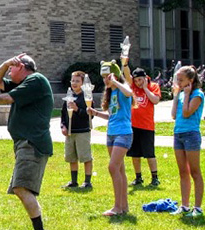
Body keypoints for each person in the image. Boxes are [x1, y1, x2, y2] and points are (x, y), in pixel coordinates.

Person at [0, 53, 52, 230]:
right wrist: (5, 63)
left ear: (21, 67)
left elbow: (8, 98)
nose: (9, 71)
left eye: (12, 67)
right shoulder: (23, 84)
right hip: (24, 143)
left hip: (32, 143)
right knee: (22, 188)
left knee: (21, 188)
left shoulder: (36, 80)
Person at [86, 62, 134, 216]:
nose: (106, 80)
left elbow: (129, 93)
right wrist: (95, 113)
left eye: (108, 76)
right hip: (111, 133)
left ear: (115, 75)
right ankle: (123, 207)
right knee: (119, 169)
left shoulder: (121, 91)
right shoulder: (111, 94)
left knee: (112, 167)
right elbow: (112, 116)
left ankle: (117, 207)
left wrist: (116, 82)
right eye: (104, 77)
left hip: (124, 133)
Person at [170, 66, 205, 217]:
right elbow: (173, 115)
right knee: (183, 172)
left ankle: (197, 208)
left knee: (195, 171)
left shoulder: (197, 95)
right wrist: (176, 95)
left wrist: (185, 95)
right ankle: (184, 205)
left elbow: (186, 113)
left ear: (190, 81)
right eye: (177, 79)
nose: (178, 82)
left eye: (181, 80)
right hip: (178, 134)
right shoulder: (180, 94)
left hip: (191, 135)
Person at [127, 67, 161, 187]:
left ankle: (155, 177)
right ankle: (138, 177)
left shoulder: (153, 86)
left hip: (147, 126)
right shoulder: (133, 87)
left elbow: (155, 100)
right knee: (135, 153)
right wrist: (124, 63)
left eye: (140, 80)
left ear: (146, 78)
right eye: (136, 81)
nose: (138, 83)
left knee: (149, 153)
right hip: (133, 125)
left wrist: (145, 88)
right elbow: (126, 75)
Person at [60, 71, 94, 189]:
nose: (74, 83)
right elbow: (63, 113)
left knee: (85, 156)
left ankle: (87, 181)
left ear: (83, 83)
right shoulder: (69, 96)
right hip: (70, 132)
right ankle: (74, 181)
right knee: (71, 157)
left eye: (77, 81)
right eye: (73, 80)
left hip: (82, 131)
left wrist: (77, 109)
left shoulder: (86, 96)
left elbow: (90, 115)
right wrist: (63, 126)